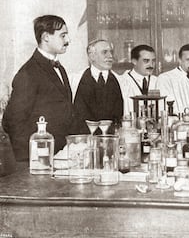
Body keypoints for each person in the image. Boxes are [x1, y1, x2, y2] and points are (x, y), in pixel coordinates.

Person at [2, 15, 73, 161]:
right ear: (46, 37)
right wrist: (34, 159)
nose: (68, 40)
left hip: (60, 157)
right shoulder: (28, 73)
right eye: (63, 36)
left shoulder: (59, 68)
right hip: (39, 161)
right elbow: (12, 122)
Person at [73, 39, 123, 134]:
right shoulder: (76, 79)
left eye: (111, 52)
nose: (110, 56)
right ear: (92, 56)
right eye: (105, 52)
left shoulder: (120, 80)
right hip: (84, 140)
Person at [118, 45, 157, 115]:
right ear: (134, 61)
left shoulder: (157, 81)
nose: (151, 65)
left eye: (153, 61)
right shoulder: (122, 82)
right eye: (146, 61)